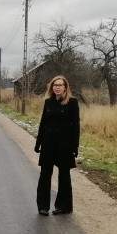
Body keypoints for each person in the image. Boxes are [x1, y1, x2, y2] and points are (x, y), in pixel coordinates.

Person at [34, 75, 80, 216]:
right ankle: (43, 206)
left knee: (64, 176)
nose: (58, 87)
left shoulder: (72, 102)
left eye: (60, 85)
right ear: (51, 87)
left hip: (64, 145)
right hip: (48, 143)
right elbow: (43, 123)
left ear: (65, 87)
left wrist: (74, 147)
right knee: (45, 175)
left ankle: (64, 206)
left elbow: (76, 127)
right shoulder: (48, 102)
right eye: (55, 85)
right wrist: (38, 143)